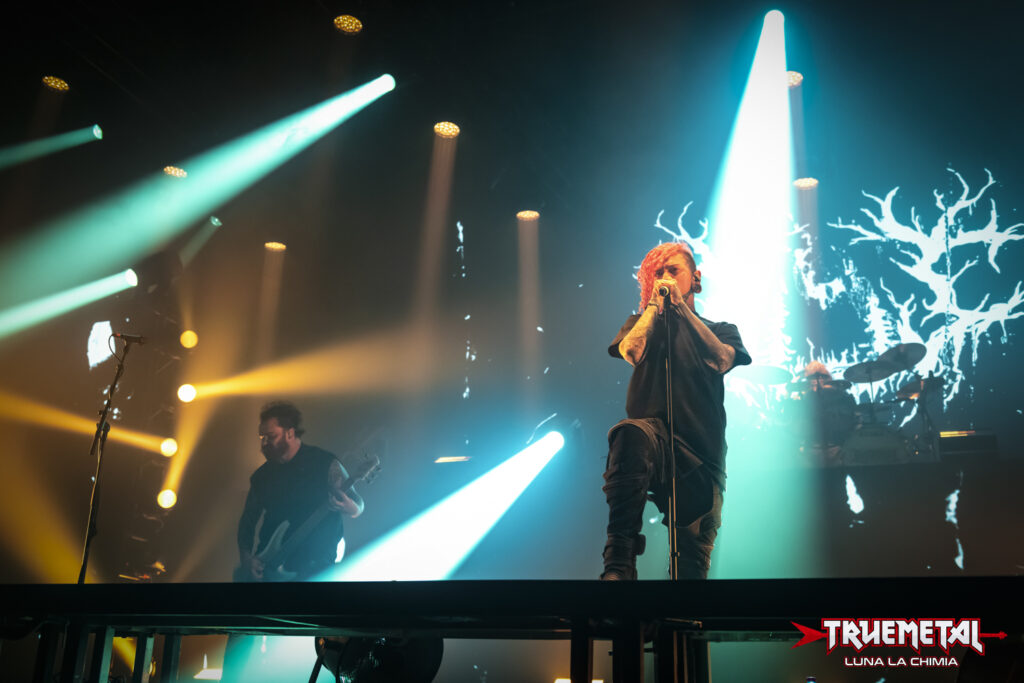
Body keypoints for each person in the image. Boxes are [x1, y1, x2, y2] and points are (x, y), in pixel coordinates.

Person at [601, 242, 750, 580]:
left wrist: (680, 309)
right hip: (652, 439)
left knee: (691, 571)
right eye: (657, 273)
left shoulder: (721, 329)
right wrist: (655, 306)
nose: (664, 278)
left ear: (695, 279)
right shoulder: (639, 323)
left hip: (701, 452)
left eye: (673, 270)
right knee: (629, 433)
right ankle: (619, 562)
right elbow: (632, 351)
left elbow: (720, 360)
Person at [236, 401, 364, 582]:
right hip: (268, 568)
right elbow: (247, 523)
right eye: (261, 437)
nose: (264, 443)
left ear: (290, 433)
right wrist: (247, 559)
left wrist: (349, 506)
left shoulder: (324, 462)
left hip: (316, 566)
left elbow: (358, 504)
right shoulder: (262, 477)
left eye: (271, 436)